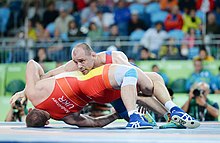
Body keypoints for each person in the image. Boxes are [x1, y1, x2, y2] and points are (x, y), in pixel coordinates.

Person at [40, 43, 199, 129]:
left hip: (125, 93)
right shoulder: (75, 65)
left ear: (93, 55)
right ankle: (170, 112)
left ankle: (172, 113)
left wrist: (144, 88)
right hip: (115, 100)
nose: (79, 66)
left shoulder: (115, 57)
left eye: (82, 61)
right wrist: (24, 92)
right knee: (140, 89)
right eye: (76, 62)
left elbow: (132, 75)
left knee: (150, 81)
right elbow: (49, 74)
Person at [11, 60, 199, 129]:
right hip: (96, 84)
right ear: (30, 110)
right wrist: (27, 90)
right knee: (134, 83)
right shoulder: (36, 93)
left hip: (101, 92)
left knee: (153, 79)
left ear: (47, 122)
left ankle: (170, 114)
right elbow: (32, 64)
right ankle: (163, 113)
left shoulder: (66, 118)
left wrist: (116, 115)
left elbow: (94, 123)